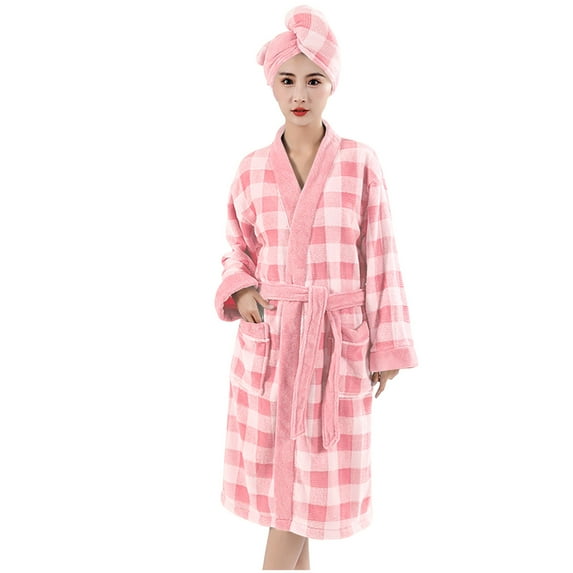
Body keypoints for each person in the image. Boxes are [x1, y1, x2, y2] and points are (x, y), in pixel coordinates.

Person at [214, 5, 418, 570]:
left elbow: (380, 254)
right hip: (271, 344)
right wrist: (242, 289)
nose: (299, 94)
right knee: (285, 495)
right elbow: (236, 247)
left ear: (332, 84)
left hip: (335, 345)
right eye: (287, 80)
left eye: (313, 80)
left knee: (306, 494)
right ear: (271, 85)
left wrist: (385, 347)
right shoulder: (251, 169)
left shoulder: (359, 163)